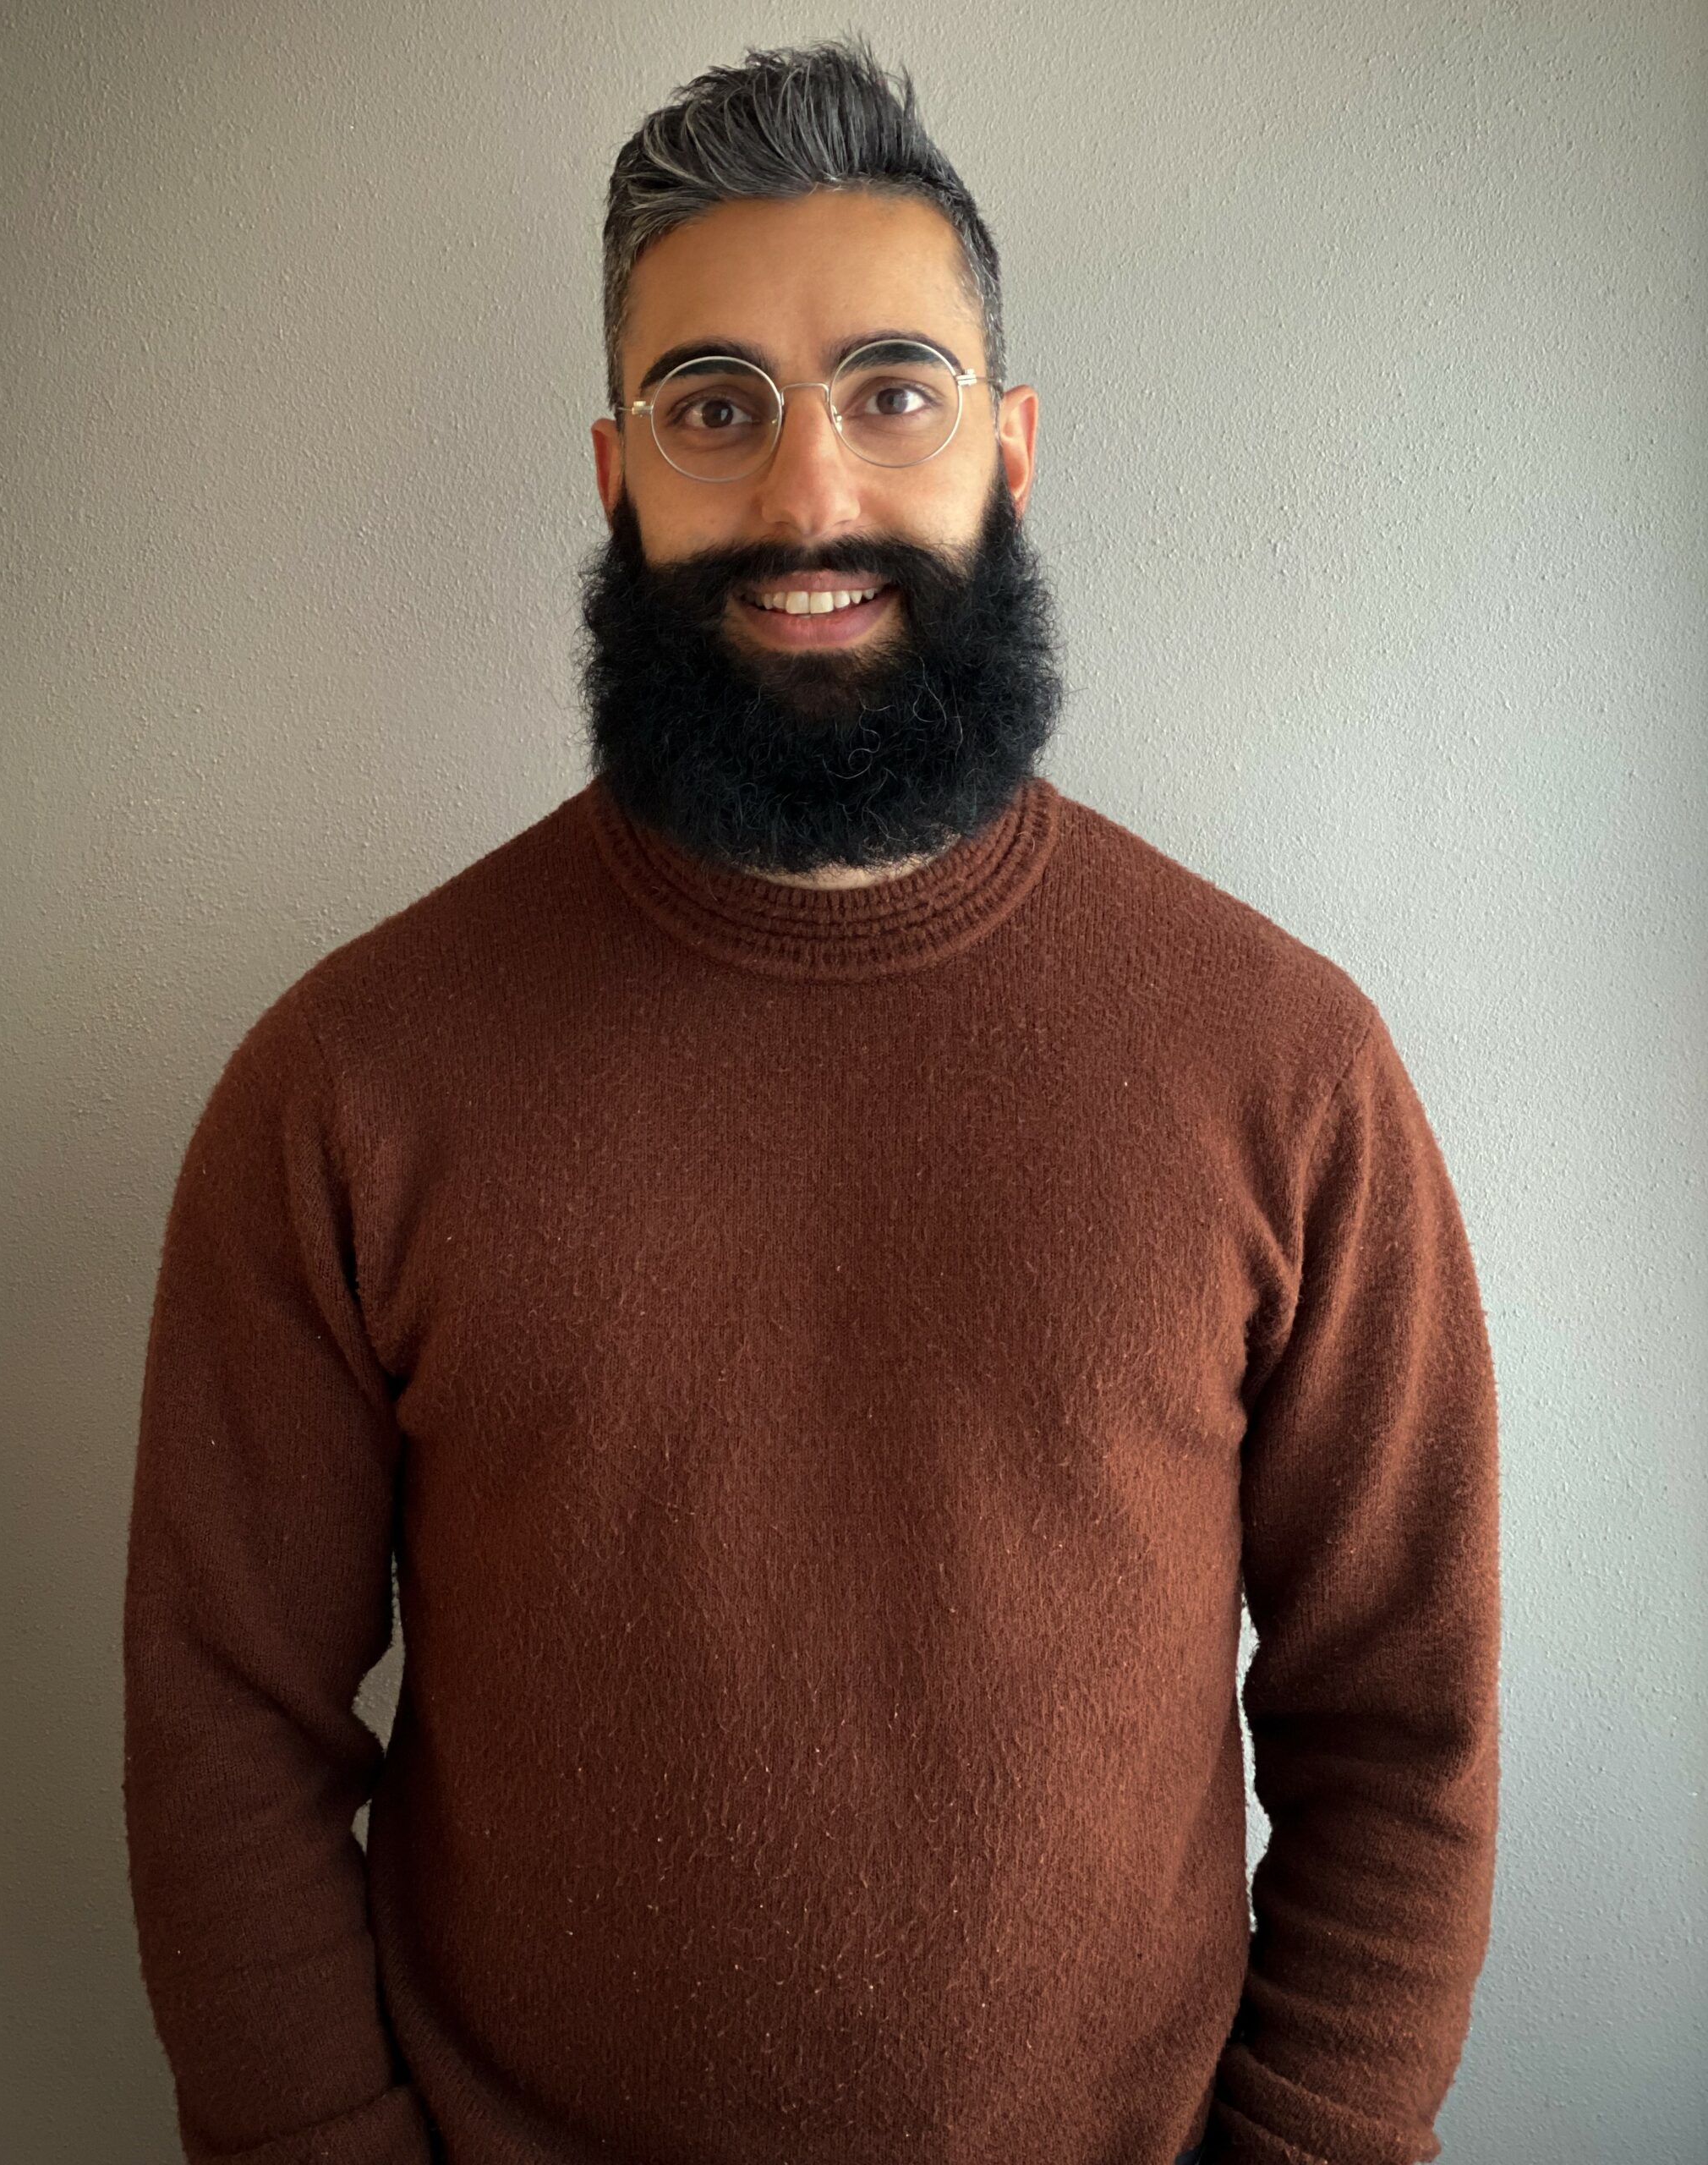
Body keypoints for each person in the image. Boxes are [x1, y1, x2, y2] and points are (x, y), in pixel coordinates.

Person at [122, 36, 1500, 2165]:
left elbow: (1403, 1725)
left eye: (892, 391)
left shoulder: (1289, 1069)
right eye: (714, 407)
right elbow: (226, 1730)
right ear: (617, 472)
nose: (807, 496)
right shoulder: (346, 1088)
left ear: (1010, 447)